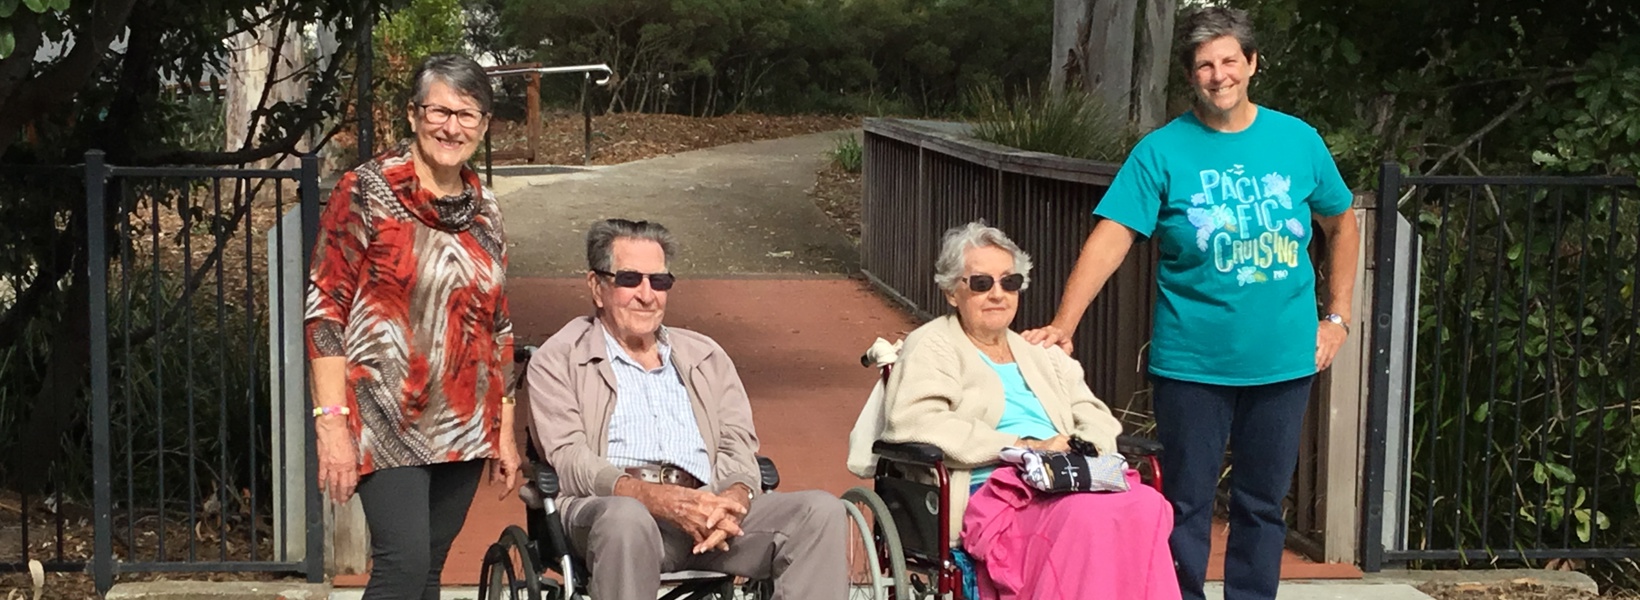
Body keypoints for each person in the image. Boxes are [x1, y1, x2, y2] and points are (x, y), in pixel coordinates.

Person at [1020, 7, 1361, 600]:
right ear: (1190, 75)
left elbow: (1341, 222)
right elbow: (1113, 237)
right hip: (1192, 363)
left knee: (1262, 504)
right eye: (1205, 64)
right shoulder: (1162, 151)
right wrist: (1063, 322)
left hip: (1284, 360)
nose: (1219, 74)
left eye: (1230, 60)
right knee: (1183, 503)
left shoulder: (1297, 140)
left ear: (1252, 65)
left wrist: (1338, 316)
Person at [525, 218, 847, 600]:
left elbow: (737, 443)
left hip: (708, 508)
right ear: (597, 287)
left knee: (821, 513)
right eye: (630, 279)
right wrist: (653, 498)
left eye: (659, 282)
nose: (647, 295)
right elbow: (568, 458)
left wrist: (736, 496)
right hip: (610, 512)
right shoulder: (559, 359)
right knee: (626, 519)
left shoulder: (705, 356)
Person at [305, 54, 520, 600]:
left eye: (468, 115)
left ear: (485, 124)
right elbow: (325, 307)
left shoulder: (487, 209)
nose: (453, 127)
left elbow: (497, 323)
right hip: (384, 416)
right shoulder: (365, 191)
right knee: (402, 568)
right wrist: (331, 424)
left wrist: (504, 425)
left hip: (465, 423)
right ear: (413, 115)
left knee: (427, 573)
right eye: (440, 111)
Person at [880, 222, 1180, 600]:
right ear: (951, 291)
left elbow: (1096, 415)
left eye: (1009, 282)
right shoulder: (932, 346)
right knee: (1085, 516)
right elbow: (914, 421)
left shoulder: (1041, 351)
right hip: (995, 487)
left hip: (1067, 475)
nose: (997, 294)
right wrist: (1023, 446)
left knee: (1146, 505)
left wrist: (1079, 445)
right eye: (980, 283)